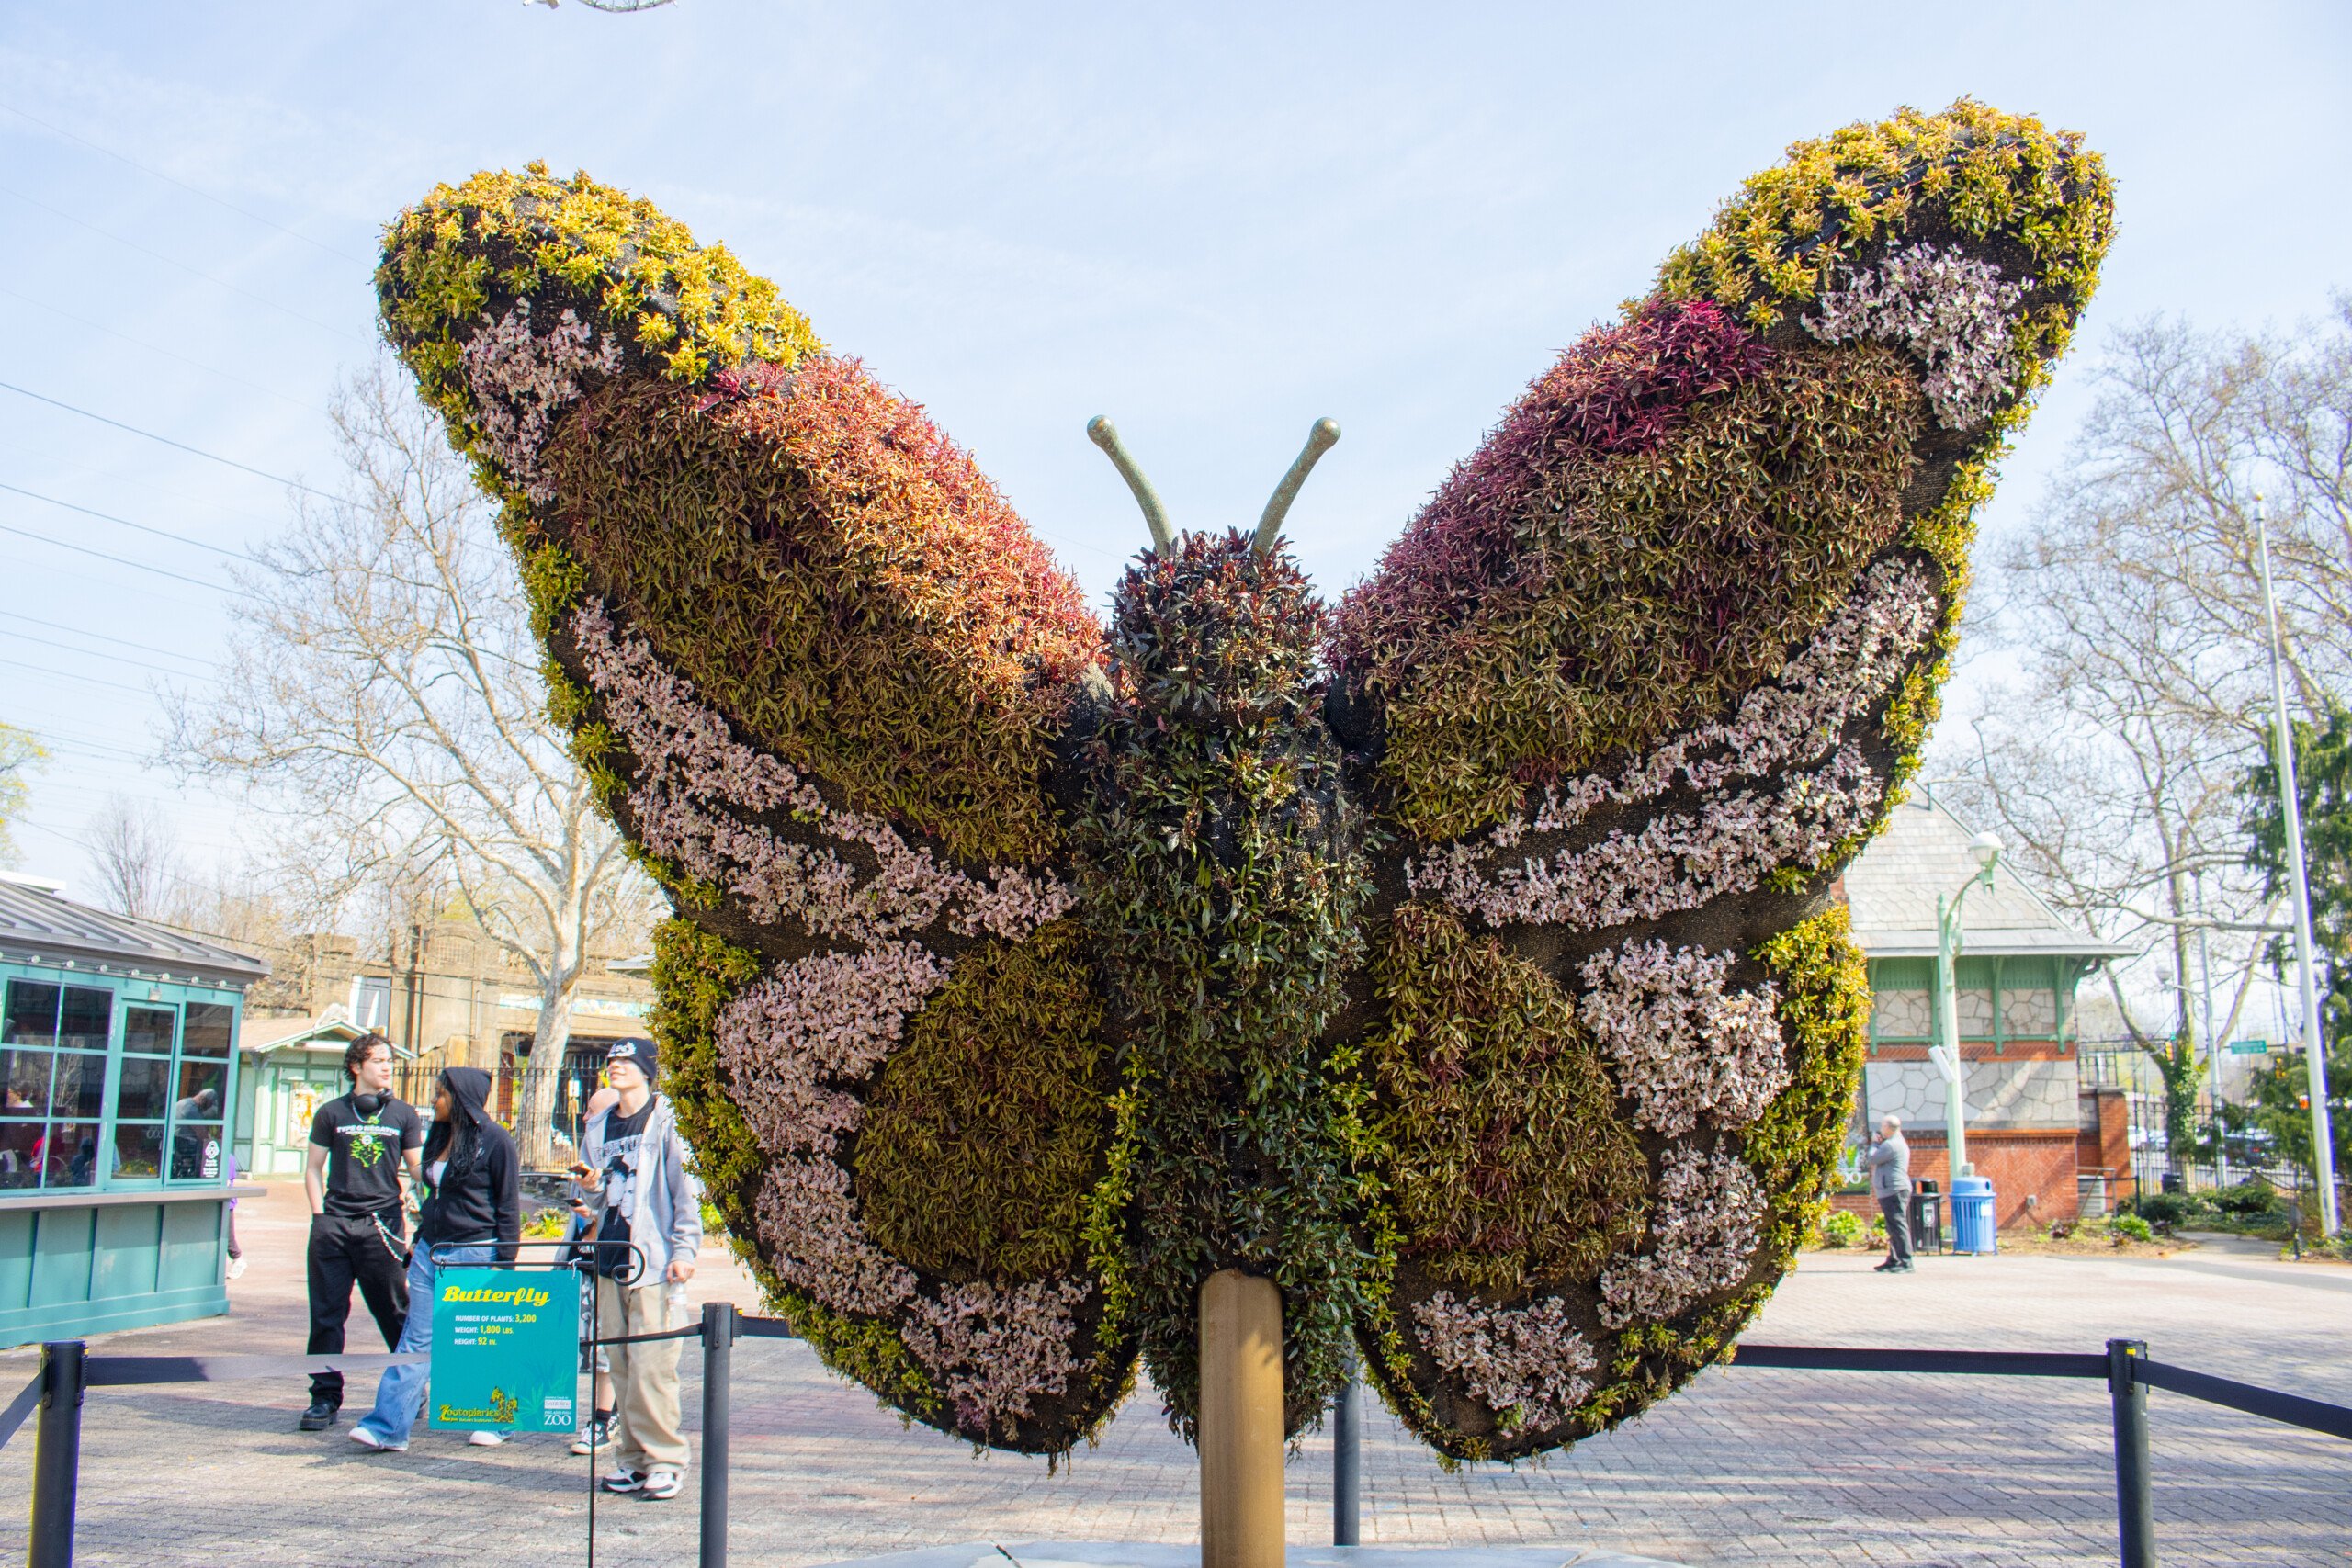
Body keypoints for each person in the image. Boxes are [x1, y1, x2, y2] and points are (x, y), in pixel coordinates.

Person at [350, 1066, 521, 1452]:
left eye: (440, 1093)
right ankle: (388, 1428)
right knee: (416, 1340)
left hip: (475, 1253)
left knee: (480, 1341)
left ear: (460, 1098)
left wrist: (505, 1264)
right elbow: (434, 1194)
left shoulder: (496, 1141)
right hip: (432, 1253)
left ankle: (501, 1418)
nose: (433, 1099)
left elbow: (508, 1206)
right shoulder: (440, 1136)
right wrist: (420, 1240)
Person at [580, 1039, 702, 1501]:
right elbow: (597, 1199)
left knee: (653, 1366)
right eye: (612, 1061)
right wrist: (589, 1187)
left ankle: (666, 1461)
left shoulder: (665, 1120)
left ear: (647, 1069)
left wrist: (684, 1250)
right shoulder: (598, 1127)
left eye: (626, 1061)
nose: (616, 1067)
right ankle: (631, 1462)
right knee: (621, 1366)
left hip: (652, 1262)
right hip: (609, 1261)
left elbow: (686, 1189)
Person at [300, 1032, 424, 1430]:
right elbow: (313, 1169)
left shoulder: (402, 1114)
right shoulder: (331, 1113)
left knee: (394, 1312)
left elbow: (419, 1170)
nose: (387, 1067)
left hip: (382, 1228)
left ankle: (409, 1388)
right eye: (378, 1060)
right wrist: (321, 1217)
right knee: (326, 1317)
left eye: (390, 1060)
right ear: (356, 1067)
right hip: (333, 1226)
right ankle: (324, 1398)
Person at [568, 1082, 621, 1457]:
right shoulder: (591, 1147)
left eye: (593, 1110)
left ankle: (605, 1418)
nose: (587, 1117)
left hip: (612, 1264)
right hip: (579, 1262)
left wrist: (595, 1212)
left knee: (607, 1344)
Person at [1863, 1114, 1913, 1273]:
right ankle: (1894, 1260)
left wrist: (1875, 1143)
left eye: (1882, 1126)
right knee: (1893, 1227)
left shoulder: (1891, 1145)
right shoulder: (1895, 1143)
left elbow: (1872, 1158)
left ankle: (1905, 1262)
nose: (1880, 1130)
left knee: (1898, 1226)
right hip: (1891, 1190)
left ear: (1888, 1128)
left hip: (1894, 1190)